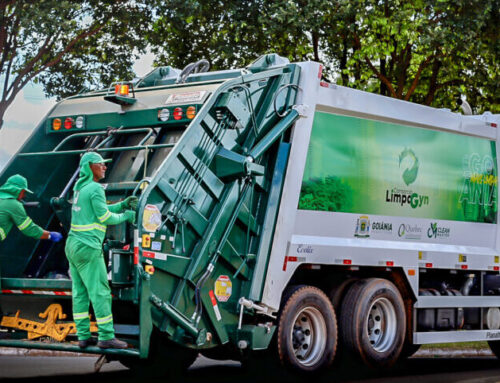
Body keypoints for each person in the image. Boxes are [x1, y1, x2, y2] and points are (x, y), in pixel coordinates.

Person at [65, 152, 137, 349]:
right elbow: (105, 218)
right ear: (89, 167)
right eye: (101, 164)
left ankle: (83, 336)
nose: (105, 167)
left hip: (73, 245)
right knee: (100, 292)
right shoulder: (95, 188)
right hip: (88, 247)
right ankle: (106, 336)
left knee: (80, 292)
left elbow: (99, 210)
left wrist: (121, 205)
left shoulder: (80, 188)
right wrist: (127, 215)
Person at [0, 174, 63, 243]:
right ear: (17, 190)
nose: (24, 195)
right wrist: (50, 235)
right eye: (23, 192)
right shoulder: (13, 204)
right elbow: (28, 228)